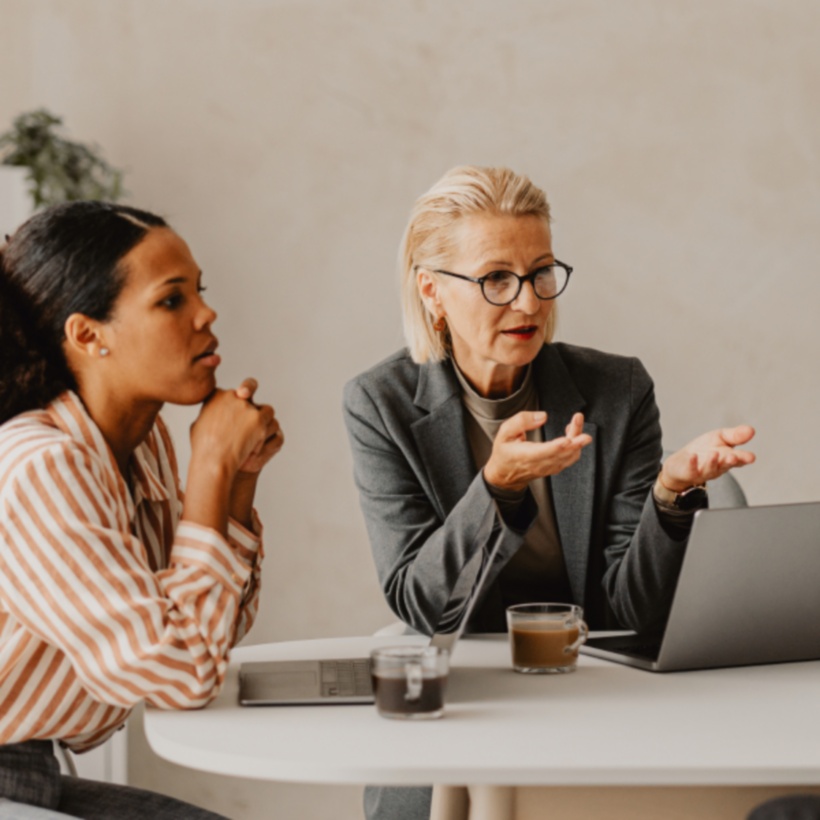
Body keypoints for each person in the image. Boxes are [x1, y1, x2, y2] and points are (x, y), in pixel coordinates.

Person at [342, 165, 755, 820]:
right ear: (432, 292)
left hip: (598, 679)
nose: (530, 302)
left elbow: (630, 609)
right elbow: (423, 604)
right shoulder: (380, 405)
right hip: (470, 681)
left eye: (540, 273)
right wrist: (496, 488)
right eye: (497, 279)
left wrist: (671, 498)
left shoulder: (618, 391)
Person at [0, 201, 283, 819]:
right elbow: (182, 677)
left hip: (29, 769)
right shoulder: (40, 463)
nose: (207, 314)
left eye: (199, 292)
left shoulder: (140, 442)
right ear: (88, 334)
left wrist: (237, 479)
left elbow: (210, 638)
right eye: (171, 300)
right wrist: (209, 466)